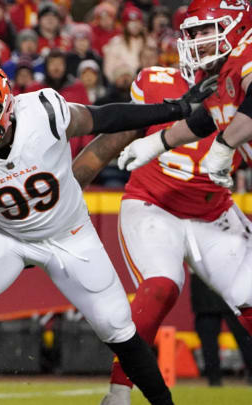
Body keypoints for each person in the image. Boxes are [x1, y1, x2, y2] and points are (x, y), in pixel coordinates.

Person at [0, 61, 216, 405]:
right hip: (2, 235)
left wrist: (174, 109)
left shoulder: (44, 111)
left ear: (4, 112)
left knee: (118, 327)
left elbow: (106, 118)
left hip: (70, 235)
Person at [73, 65, 251, 405]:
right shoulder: (159, 83)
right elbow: (114, 138)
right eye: (196, 33)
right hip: (153, 204)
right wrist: (66, 193)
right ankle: (119, 393)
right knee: (160, 285)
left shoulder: (242, 96)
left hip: (214, 213)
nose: (202, 42)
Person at [116, 0, 252, 338]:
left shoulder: (245, 54)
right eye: (194, 32)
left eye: (207, 30)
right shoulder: (222, 76)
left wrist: (224, 145)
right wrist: (158, 142)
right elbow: (207, 118)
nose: (199, 39)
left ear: (236, 25)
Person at [191, 273, 252, 387]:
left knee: (209, 338)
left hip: (212, 282)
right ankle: (214, 379)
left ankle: (214, 380)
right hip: (228, 281)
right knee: (244, 336)